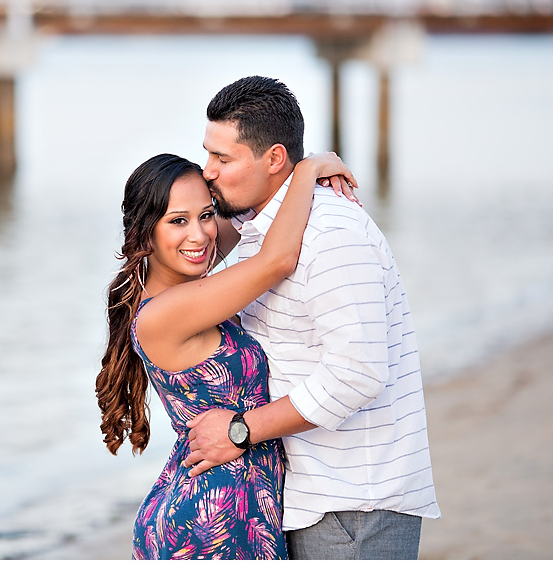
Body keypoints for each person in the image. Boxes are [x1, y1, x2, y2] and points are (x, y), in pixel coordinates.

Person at [183, 75, 441, 559]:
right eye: (208, 154)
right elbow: (178, 238)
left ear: (275, 158)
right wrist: (312, 165)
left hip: (354, 503)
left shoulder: (332, 231)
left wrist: (240, 429)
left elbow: (357, 372)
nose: (209, 171)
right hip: (306, 495)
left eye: (222, 158)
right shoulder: (258, 225)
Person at [95, 151, 357, 559]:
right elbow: (277, 260)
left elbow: (238, 221)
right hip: (214, 518)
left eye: (205, 214)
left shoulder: (183, 283)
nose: (199, 235)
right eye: (177, 221)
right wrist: (306, 170)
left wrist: (266, 173)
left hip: (230, 504)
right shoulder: (166, 312)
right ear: (146, 233)